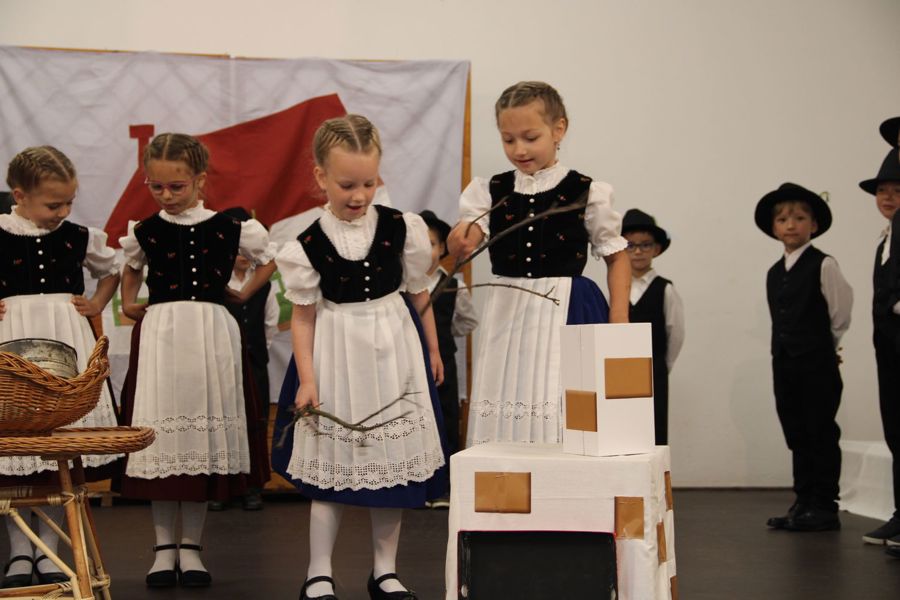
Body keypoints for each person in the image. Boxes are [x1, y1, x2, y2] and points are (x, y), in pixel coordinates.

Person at [273, 114, 447, 600]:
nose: (359, 195)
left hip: (394, 351)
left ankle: (384, 571)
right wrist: (308, 379)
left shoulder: (401, 227)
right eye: (347, 185)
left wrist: (433, 347)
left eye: (369, 183)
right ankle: (319, 571)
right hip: (338, 354)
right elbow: (303, 318)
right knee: (333, 461)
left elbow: (419, 292)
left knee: (391, 463)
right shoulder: (307, 243)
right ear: (321, 176)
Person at [117, 133, 276, 588]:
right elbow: (131, 266)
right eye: (156, 187)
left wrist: (243, 293)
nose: (166, 196)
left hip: (210, 333)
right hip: (163, 333)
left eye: (177, 186)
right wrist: (127, 302)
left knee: (201, 438)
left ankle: (191, 548)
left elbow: (268, 260)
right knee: (163, 437)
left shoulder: (230, 227)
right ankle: (163, 548)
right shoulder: (145, 230)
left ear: (200, 181)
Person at [447, 81, 630, 446]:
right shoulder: (491, 191)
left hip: (569, 307)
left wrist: (620, 319)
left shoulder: (586, 191)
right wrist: (461, 238)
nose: (519, 149)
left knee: (568, 403)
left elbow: (616, 255)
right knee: (509, 392)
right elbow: (466, 240)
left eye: (530, 137)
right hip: (508, 310)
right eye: (508, 139)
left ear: (558, 129)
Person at [0, 146, 121, 588]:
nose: (64, 212)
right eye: (54, 205)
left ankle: (50, 546)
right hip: (12, 340)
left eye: (69, 202)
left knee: (57, 445)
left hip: (64, 342)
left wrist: (97, 303)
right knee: (12, 447)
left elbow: (111, 270)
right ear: (20, 195)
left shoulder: (78, 237)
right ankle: (20, 548)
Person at [755, 182, 852, 532]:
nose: (791, 225)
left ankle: (824, 504)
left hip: (816, 362)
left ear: (814, 224)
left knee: (819, 430)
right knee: (795, 430)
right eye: (782, 219)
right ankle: (803, 500)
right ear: (774, 228)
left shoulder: (823, 264)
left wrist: (825, 347)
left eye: (799, 218)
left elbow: (840, 313)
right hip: (784, 362)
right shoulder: (774, 272)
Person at [207, 206, 280, 512]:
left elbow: (270, 325)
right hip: (219, 364)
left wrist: (255, 351)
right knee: (221, 423)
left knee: (254, 422)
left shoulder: (263, 285)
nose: (241, 254)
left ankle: (252, 487)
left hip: (253, 363)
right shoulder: (213, 281)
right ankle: (222, 488)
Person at [858, 137, 900, 549]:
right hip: (888, 347)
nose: (888, 197)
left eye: (897, 190)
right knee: (895, 429)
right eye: (882, 190)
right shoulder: (885, 237)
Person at [621, 208, 684, 446]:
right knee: (624, 426)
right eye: (630, 245)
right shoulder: (618, 289)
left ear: (656, 249)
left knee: (654, 428)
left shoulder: (665, 288)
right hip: (622, 369)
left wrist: (662, 366)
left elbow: (675, 332)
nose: (638, 251)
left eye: (645, 245)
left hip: (654, 369)